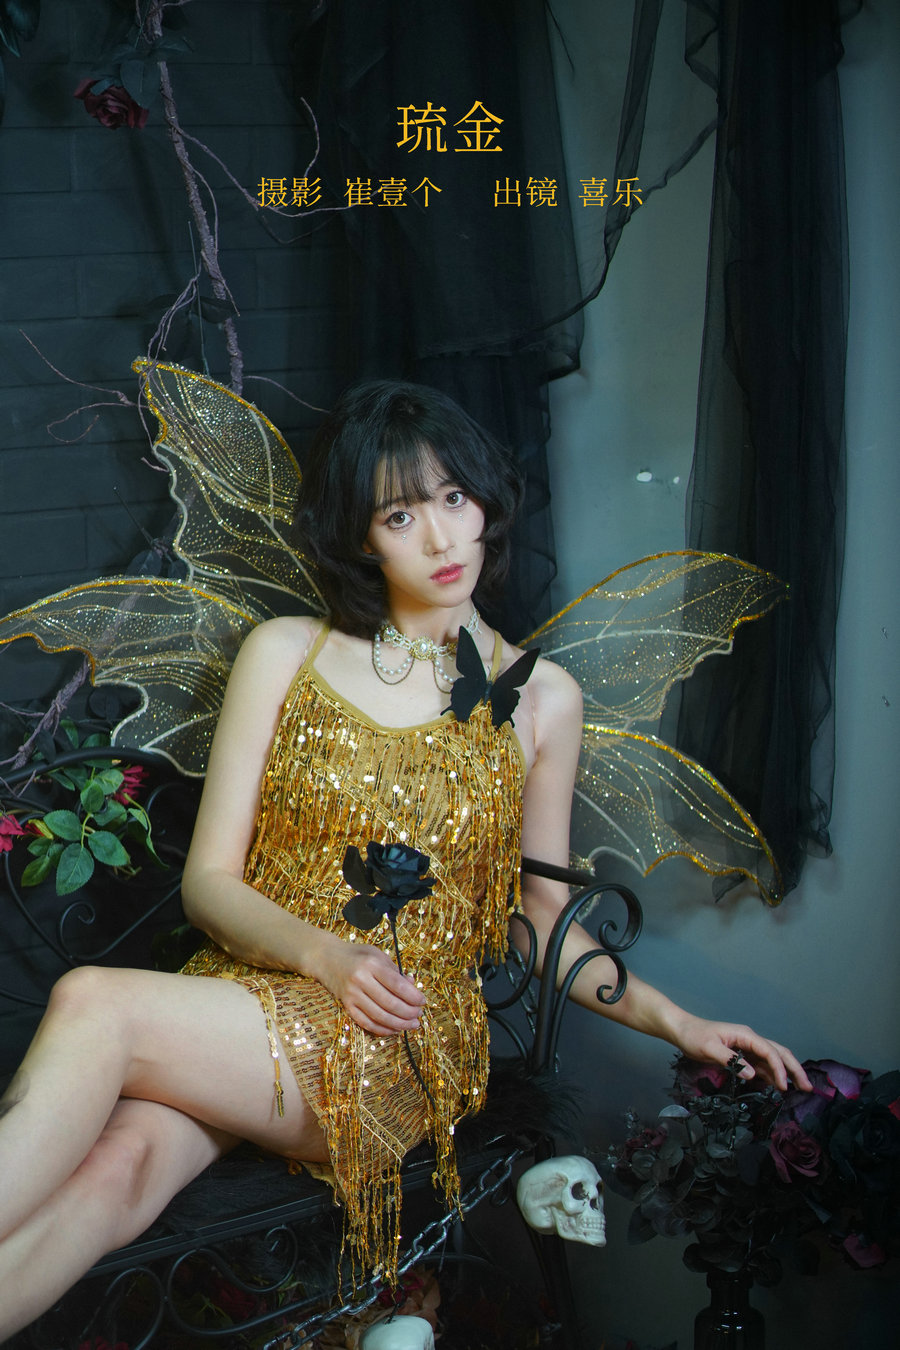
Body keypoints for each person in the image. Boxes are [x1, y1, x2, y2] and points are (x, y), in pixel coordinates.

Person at [0, 379, 810, 1340]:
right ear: (361, 537)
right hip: (245, 1003)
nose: (439, 538)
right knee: (116, 1171)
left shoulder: (544, 698)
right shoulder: (286, 652)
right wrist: (323, 954)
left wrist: (682, 1022)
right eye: (400, 515)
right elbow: (208, 885)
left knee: (94, 1001)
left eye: (454, 499)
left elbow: (542, 919)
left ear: (486, 504)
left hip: (396, 1035)